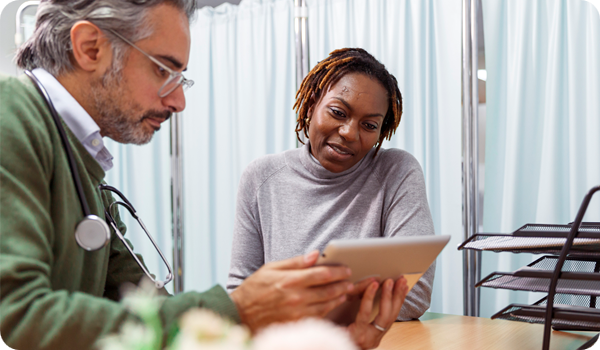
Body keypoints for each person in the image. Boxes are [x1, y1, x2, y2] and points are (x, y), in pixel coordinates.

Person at [0, 1, 394, 349]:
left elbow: (150, 312)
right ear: (91, 48)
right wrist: (238, 308)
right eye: (163, 70)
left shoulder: (80, 161)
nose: (178, 100)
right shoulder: (10, 118)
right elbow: (16, 319)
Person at [227, 48, 436, 348]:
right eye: (338, 112)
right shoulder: (260, 178)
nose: (350, 132)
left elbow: (413, 295)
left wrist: (289, 306)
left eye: (369, 125)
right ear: (312, 104)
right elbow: (241, 298)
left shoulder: (397, 172)